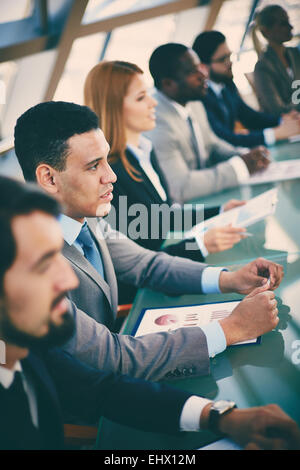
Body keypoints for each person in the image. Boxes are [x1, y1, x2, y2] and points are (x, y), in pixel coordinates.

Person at [1, 176, 299, 450]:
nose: (67, 281)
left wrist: (220, 416)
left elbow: (102, 389)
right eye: (42, 266)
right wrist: (229, 329)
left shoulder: (26, 344)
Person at [14, 101, 284, 383]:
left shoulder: (83, 217)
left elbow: (147, 264)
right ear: (48, 178)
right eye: (94, 166)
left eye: (106, 160)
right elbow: (110, 357)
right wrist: (231, 329)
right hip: (87, 407)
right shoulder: (28, 264)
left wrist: (230, 279)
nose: (112, 176)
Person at [84, 60, 247, 267]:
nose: (153, 103)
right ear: (114, 107)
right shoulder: (111, 175)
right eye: (141, 98)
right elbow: (138, 258)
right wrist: (199, 245)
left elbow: (160, 219)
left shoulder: (145, 151)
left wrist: (220, 211)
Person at [146, 42, 270, 204]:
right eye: (192, 72)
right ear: (168, 83)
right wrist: (239, 167)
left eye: (200, 67)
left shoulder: (193, 100)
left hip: (210, 197)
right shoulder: (156, 121)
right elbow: (181, 187)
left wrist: (244, 155)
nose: (203, 75)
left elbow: (212, 144)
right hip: (186, 212)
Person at [192, 30, 300, 148]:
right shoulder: (200, 96)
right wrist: (274, 134)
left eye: (229, 56)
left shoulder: (227, 84)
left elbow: (249, 117)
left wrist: (283, 120)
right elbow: (224, 138)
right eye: (223, 59)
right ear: (203, 66)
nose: (230, 63)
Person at [252, 4, 300, 115]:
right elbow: (276, 110)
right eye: (283, 24)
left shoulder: (295, 54)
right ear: (266, 31)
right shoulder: (262, 67)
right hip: (287, 126)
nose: (291, 27)